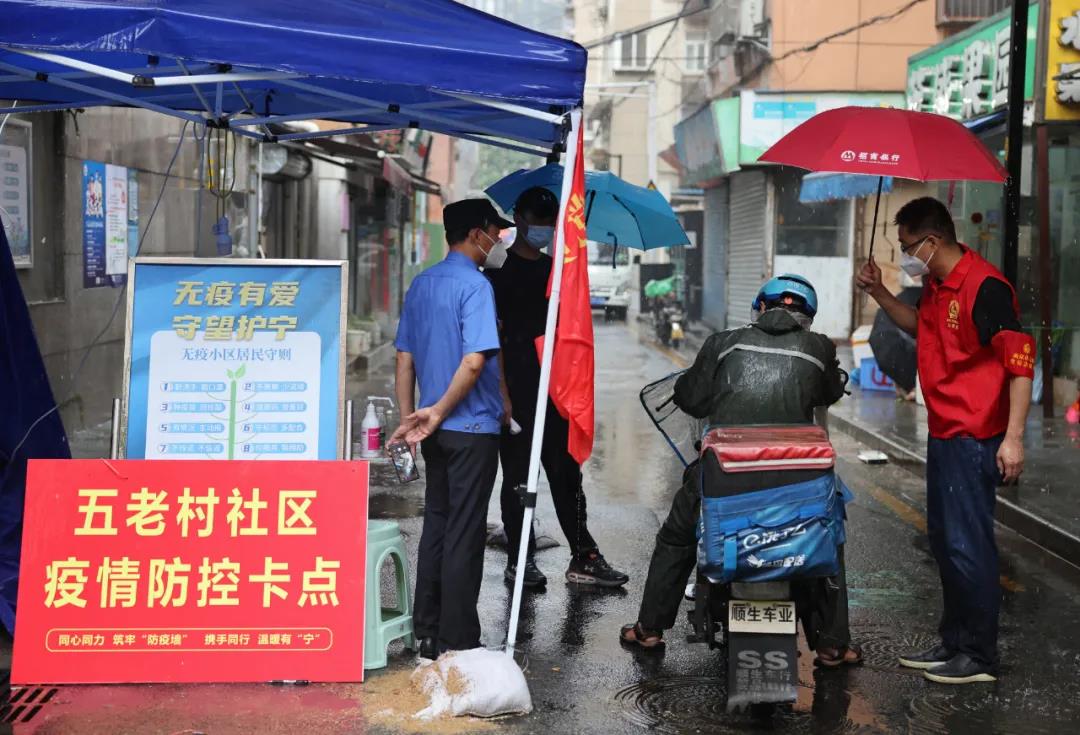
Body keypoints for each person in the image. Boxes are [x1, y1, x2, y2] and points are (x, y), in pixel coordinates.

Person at [620, 275, 859, 667]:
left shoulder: (723, 342)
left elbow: (692, 400)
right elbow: (830, 393)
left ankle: (649, 629)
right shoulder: (820, 347)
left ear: (761, 308)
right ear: (808, 318)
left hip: (724, 479)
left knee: (677, 537)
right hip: (801, 483)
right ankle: (833, 644)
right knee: (829, 537)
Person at [857, 197, 1033, 685]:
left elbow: (1020, 365)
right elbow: (922, 328)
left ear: (932, 242)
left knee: (968, 544)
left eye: (910, 246)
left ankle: (978, 656)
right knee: (944, 539)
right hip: (944, 429)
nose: (907, 255)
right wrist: (880, 294)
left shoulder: (985, 286)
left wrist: (1013, 439)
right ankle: (955, 642)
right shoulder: (936, 285)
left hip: (976, 434)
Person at [485, 186, 629, 589]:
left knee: (568, 477)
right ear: (521, 221)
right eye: (538, 223)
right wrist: (502, 395)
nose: (545, 231)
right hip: (515, 393)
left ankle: (584, 556)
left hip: (558, 393)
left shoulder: (560, 274)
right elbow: (490, 341)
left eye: (551, 224)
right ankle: (520, 560)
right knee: (517, 479)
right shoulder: (497, 275)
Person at [390, 198, 513, 658]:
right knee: (465, 530)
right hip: (469, 428)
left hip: (433, 431)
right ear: (477, 232)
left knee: (438, 524)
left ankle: (427, 630)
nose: (498, 241)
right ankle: (457, 638)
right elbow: (475, 359)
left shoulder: (422, 284)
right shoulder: (477, 287)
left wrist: (413, 420)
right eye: (496, 233)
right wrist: (439, 411)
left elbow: (404, 359)